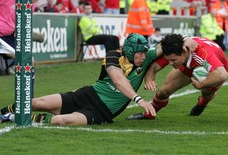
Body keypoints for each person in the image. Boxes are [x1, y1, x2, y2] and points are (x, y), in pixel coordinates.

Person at [0, 34, 156, 125]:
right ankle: (2, 112)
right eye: (140, 53)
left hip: (101, 112)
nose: (144, 56)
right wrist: (140, 100)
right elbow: (118, 80)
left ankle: (13, 117)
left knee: (61, 121)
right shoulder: (113, 56)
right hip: (87, 94)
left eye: (144, 53)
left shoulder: (147, 58)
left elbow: (168, 46)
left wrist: (150, 75)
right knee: (36, 103)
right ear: (129, 51)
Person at [127, 34, 228, 120]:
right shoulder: (174, 50)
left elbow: (222, 74)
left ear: (184, 52)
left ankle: (203, 102)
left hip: (217, 67)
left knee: (207, 91)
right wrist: (149, 79)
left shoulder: (202, 54)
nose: (170, 64)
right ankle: (149, 114)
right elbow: (153, 67)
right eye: (169, 60)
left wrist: (201, 84)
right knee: (164, 92)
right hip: (188, 64)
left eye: (173, 60)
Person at [0, 0, 44, 74]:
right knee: (22, 60)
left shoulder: (32, 3)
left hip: (8, 36)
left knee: (30, 62)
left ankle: (12, 68)